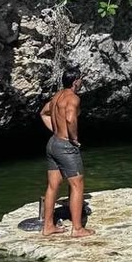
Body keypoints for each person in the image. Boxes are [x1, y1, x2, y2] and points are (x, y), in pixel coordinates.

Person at [40, 67, 95, 238]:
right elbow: (70, 118)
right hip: (65, 146)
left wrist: (56, 131)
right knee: (77, 185)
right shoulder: (73, 98)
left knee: (53, 185)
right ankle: (77, 229)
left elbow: (43, 113)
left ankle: (48, 226)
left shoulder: (57, 96)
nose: (82, 81)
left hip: (53, 143)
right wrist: (73, 138)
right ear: (75, 81)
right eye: (81, 79)